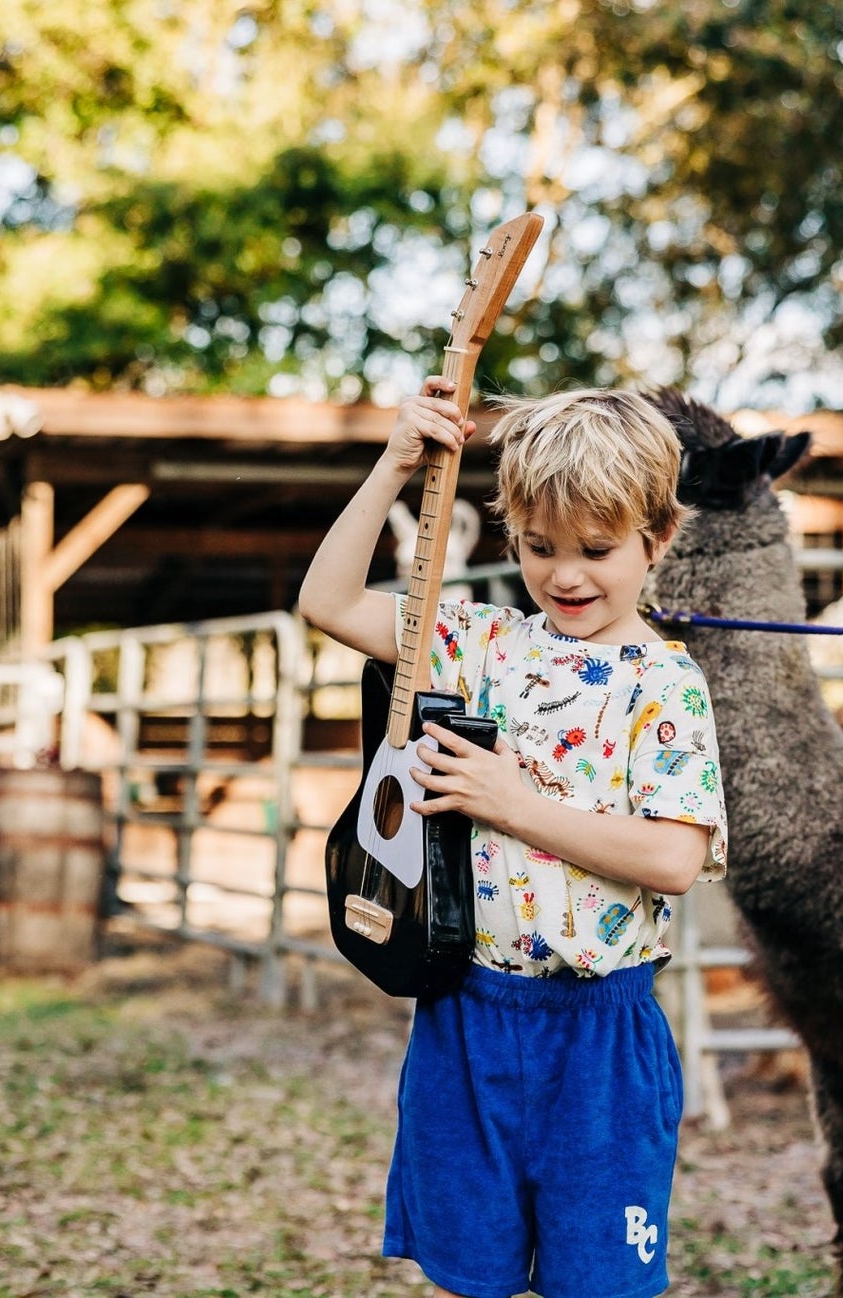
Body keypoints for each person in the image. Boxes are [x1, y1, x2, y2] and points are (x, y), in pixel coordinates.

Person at [298, 379, 728, 1298]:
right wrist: (393, 466)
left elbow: (674, 858)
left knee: (598, 1284)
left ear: (659, 539)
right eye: (539, 548)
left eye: (598, 551)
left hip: (598, 1035)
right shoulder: (480, 643)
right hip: (468, 1014)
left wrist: (511, 802)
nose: (566, 576)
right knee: (471, 1272)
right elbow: (328, 601)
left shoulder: (666, 683)